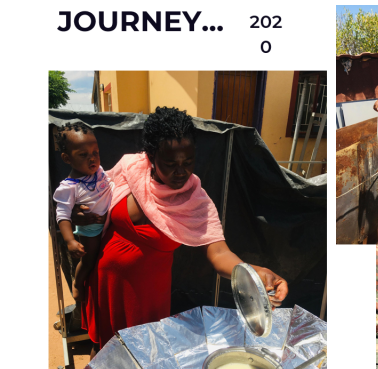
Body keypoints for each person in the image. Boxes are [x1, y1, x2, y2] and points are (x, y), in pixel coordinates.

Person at [77, 107, 289, 352]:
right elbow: (96, 202)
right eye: (170, 163)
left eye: (188, 162)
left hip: (146, 296)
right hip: (106, 282)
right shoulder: (129, 170)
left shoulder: (195, 201)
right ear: (151, 157)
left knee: (142, 357)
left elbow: (219, 253)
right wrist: (80, 214)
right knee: (102, 352)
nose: (181, 171)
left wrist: (254, 273)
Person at [52, 123, 112, 301]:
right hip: (91, 230)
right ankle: (77, 283)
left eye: (96, 153)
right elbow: (62, 215)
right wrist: (70, 240)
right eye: (83, 155)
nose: (92, 159)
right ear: (67, 158)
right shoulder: (69, 187)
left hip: (109, 223)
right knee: (88, 261)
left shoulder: (99, 172)